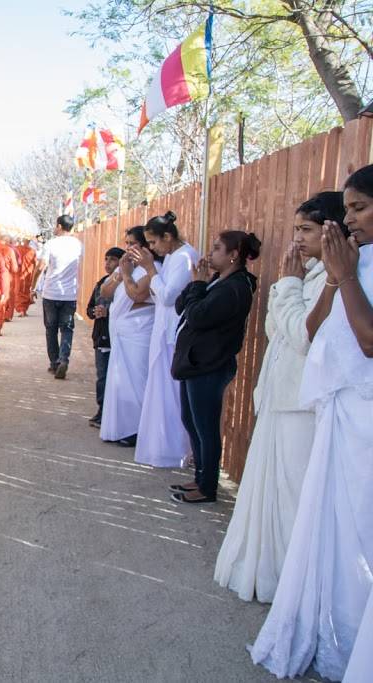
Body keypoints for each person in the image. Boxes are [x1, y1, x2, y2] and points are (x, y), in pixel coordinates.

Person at [250, 165, 373, 680]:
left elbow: (367, 341)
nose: (349, 222)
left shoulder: (347, 267)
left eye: (359, 209)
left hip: (361, 416)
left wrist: (341, 278)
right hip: (340, 415)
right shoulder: (355, 261)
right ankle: (335, 630)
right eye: (346, 211)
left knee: (358, 537)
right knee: (337, 535)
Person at [214, 192, 340, 603]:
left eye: (306, 230)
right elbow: (276, 326)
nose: (298, 239)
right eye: (296, 230)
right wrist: (290, 286)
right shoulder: (310, 273)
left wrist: (288, 284)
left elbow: (302, 334)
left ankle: (287, 581)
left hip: (300, 404)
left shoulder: (334, 278)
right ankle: (266, 573)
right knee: (272, 490)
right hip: (280, 395)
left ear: (332, 229)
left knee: (291, 497)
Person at [169, 230, 262, 504]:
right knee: (192, 422)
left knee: (205, 426)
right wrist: (195, 285)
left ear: (234, 255)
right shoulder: (217, 281)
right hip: (195, 364)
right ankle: (200, 478)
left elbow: (197, 316)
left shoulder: (235, 288)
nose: (210, 253)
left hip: (209, 366)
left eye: (217, 248)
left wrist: (196, 287)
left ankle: (207, 487)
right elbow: (180, 307)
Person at [131, 212, 199, 468]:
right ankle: (162, 449)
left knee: (171, 397)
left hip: (173, 337)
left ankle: (175, 451)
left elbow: (169, 296)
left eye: (154, 242)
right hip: (164, 333)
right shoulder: (173, 257)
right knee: (161, 394)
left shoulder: (184, 257)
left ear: (167, 236)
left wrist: (150, 270)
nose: (152, 248)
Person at [99, 227, 155, 447]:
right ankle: (122, 426)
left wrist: (127, 274)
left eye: (133, 243)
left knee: (138, 381)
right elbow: (105, 291)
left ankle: (139, 429)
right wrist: (120, 274)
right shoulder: (125, 266)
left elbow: (137, 294)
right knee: (120, 382)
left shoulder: (153, 270)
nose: (128, 248)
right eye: (127, 243)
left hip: (140, 332)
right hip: (120, 331)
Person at [36, 215, 83, 379]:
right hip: (69, 294)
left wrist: (33, 282)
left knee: (51, 329)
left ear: (59, 226)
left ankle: (54, 363)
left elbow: (41, 265)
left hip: (51, 292)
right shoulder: (78, 245)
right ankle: (64, 359)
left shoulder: (51, 244)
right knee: (67, 328)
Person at [86, 247, 125, 427]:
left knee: (116, 378)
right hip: (101, 337)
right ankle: (102, 410)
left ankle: (113, 414)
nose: (108, 263)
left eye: (113, 260)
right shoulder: (101, 283)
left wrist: (108, 312)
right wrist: (96, 311)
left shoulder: (125, 285)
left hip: (116, 337)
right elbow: (89, 309)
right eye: (106, 259)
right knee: (102, 376)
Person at [14, 238, 38, 316]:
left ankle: (21, 310)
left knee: (19, 292)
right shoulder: (32, 251)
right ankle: (23, 310)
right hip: (28, 274)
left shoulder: (17, 249)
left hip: (18, 273)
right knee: (26, 291)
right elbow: (35, 263)